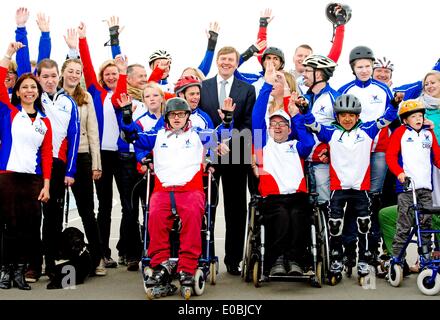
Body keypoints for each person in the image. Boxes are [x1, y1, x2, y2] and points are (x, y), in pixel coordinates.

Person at [121, 96, 234, 297]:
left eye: (181, 114)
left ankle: (187, 267)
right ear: (167, 117)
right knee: (154, 215)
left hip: (190, 189)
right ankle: (161, 264)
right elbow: (133, 136)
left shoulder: (198, 134)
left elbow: (221, 135)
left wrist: (227, 120)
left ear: (187, 116)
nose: (176, 118)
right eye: (173, 115)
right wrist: (127, 117)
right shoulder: (158, 134)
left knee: (192, 217)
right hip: (163, 189)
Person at [304, 93, 398, 284]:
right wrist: (305, 110)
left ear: (357, 116)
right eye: (343, 115)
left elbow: (386, 119)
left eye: (351, 115)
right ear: (337, 117)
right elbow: (313, 125)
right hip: (337, 188)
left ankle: (363, 260)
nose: (347, 119)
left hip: (361, 188)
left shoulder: (367, 130)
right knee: (335, 226)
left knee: (364, 225)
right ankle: (337, 259)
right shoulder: (331, 133)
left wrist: (395, 103)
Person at [199, 46, 256, 275]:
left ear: (236, 63)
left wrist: (229, 143)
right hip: (210, 153)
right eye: (223, 59)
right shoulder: (203, 87)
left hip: (237, 152)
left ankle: (233, 259)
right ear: (217, 61)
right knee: (207, 207)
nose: (226, 63)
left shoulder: (247, 88)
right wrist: (214, 144)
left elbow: (249, 124)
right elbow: (201, 120)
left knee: (236, 209)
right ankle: (206, 255)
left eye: (231, 60)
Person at [252, 65, 314, 275]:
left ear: (289, 128)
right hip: (273, 197)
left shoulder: (296, 145)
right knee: (280, 216)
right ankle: (277, 259)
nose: (277, 127)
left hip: (297, 195)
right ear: (268, 128)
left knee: (298, 215)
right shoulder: (263, 143)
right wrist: (267, 84)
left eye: (282, 124)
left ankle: (295, 259)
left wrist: (296, 114)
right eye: (273, 124)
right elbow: (257, 116)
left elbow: (308, 141)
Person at [0, 42, 52, 290]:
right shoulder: (9, 112)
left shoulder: (45, 122)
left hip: (32, 180)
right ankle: (5, 270)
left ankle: (21, 270)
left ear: (38, 92)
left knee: (29, 227)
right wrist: (8, 55)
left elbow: (47, 156)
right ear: (18, 92)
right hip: (8, 176)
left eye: (33, 87)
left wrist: (47, 185)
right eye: (25, 88)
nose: (29, 91)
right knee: (10, 226)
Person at [338, 45, 396, 268]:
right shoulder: (346, 88)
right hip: (355, 150)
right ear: (353, 68)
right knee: (355, 197)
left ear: (373, 67)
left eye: (367, 66)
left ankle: (371, 247)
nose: (364, 70)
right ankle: (349, 247)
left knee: (373, 198)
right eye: (359, 66)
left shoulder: (383, 89)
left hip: (379, 149)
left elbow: (392, 115)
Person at [77, 19, 122, 269]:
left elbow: (125, 66)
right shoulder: (96, 90)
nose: (112, 76)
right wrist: (83, 39)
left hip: (123, 155)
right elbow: (87, 65)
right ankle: (103, 251)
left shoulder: (128, 90)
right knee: (103, 206)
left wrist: (115, 39)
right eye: (108, 73)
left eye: (115, 72)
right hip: (102, 156)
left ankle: (130, 250)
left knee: (128, 206)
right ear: (103, 77)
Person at [58, 57, 106, 276]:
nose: (74, 75)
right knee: (54, 213)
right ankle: (53, 258)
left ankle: (98, 258)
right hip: (58, 159)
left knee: (87, 211)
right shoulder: (53, 98)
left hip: (83, 157)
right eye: (71, 71)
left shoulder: (85, 98)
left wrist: (96, 163)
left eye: (78, 72)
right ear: (63, 72)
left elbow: (93, 131)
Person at [385, 99, 440, 269]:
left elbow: (437, 158)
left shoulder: (428, 134)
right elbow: (390, 157)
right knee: (404, 225)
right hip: (407, 187)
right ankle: (397, 259)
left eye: (420, 116)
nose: (418, 119)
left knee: (426, 225)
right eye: (413, 116)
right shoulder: (400, 133)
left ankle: (424, 259)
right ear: (405, 119)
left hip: (425, 188)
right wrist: (400, 173)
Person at [299, 54, 339, 209]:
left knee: (324, 203)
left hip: (322, 161)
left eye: (308, 71)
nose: (304, 74)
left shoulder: (334, 98)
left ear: (319, 74)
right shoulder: (304, 97)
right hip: (303, 158)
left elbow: (340, 131)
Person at [290, 3, 350, 94]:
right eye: (300, 55)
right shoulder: (285, 76)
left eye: (306, 56)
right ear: (293, 58)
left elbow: (335, 52)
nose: (303, 59)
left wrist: (340, 25)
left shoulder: (318, 72)